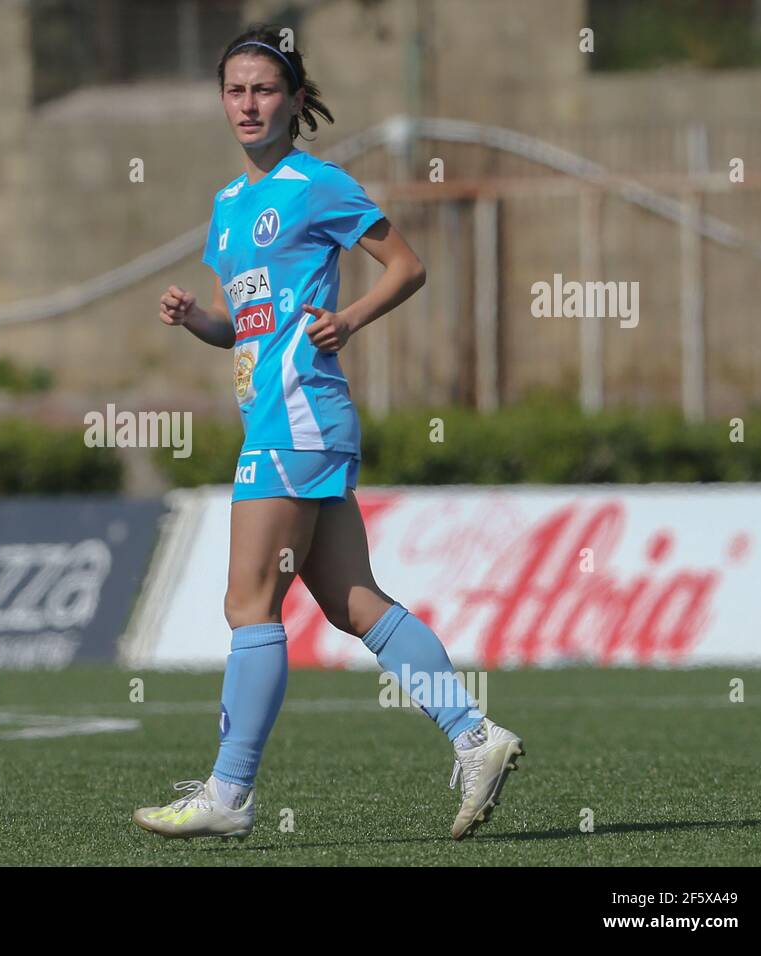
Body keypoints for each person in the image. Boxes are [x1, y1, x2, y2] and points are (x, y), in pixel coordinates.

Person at [133, 25, 524, 842]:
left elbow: (407, 266)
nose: (249, 104)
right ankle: (476, 736)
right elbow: (245, 329)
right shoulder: (228, 207)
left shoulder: (318, 184)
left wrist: (346, 319)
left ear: (297, 100)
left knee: (249, 603)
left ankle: (228, 793)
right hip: (285, 419)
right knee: (352, 604)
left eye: (265, 89)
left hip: (297, 414)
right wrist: (199, 319)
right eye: (235, 90)